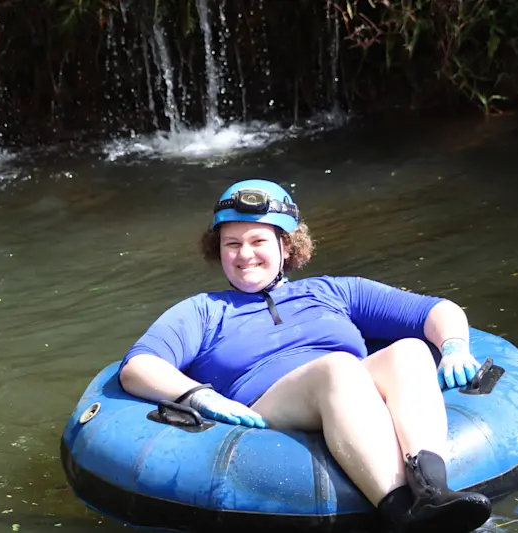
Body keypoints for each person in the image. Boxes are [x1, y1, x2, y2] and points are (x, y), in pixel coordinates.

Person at [118, 179, 492, 533]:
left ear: (286, 246)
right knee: (338, 369)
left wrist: (454, 345)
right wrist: (197, 395)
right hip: (270, 406)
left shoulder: (333, 291)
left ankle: (432, 490)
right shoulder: (203, 311)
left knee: (410, 351)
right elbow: (138, 367)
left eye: (257, 241)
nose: (244, 254)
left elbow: (435, 311)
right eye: (231, 244)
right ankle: (398, 511)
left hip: (350, 387)